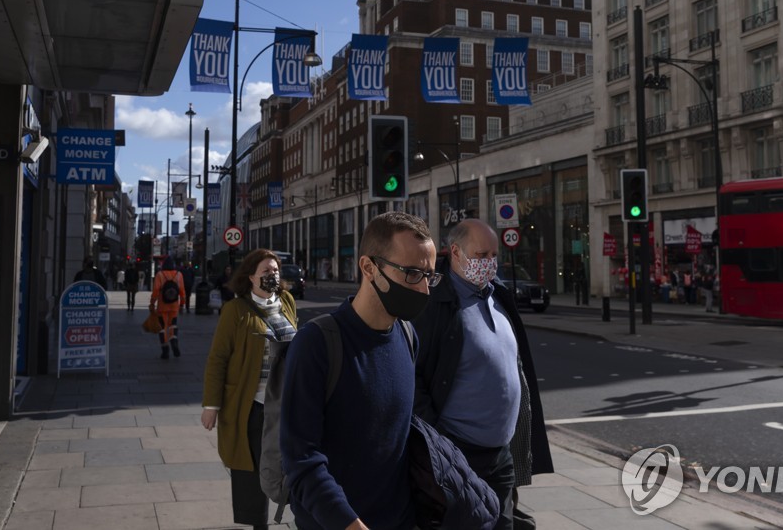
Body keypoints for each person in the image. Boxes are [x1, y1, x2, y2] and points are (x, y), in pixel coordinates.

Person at [281, 211, 436, 530]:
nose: (424, 290)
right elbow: (301, 460)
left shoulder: (407, 336)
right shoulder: (317, 344)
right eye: (411, 273)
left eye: (429, 275)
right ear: (369, 268)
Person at [414, 218, 553, 530]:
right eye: (481, 255)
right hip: (459, 453)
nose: (489, 263)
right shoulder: (434, 303)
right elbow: (414, 376)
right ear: (455, 253)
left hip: (501, 454)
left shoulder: (497, 295)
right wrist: (439, 439)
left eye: (494, 255)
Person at [201, 249, 298, 530]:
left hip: (285, 404)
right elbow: (218, 358)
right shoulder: (235, 310)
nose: (273, 275)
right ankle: (259, 525)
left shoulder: (287, 302)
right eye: (266, 271)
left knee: (283, 468)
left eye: (276, 270)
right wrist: (212, 406)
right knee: (251, 470)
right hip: (252, 406)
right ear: (251, 277)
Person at [150, 257, 186, 359]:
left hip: (162, 306)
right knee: (173, 325)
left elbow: (156, 291)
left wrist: (152, 303)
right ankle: (174, 342)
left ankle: (165, 349)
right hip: (174, 305)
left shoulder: (160, 275)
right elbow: (182, 291)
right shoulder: (179, 275)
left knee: (162, 328)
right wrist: (182, 304)